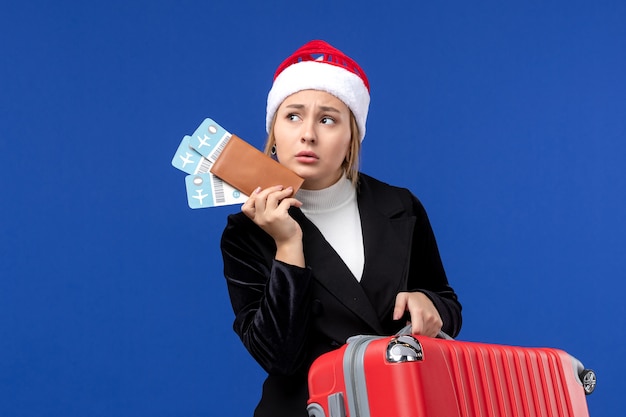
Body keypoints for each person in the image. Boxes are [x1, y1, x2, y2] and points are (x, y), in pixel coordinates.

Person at [220, 39, 462, 417]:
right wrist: (287, 244)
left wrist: (431, 307)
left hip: (397, 405)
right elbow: (279, 357)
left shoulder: (400, 206)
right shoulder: (247, 231)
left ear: (352, 137)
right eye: (293, 116)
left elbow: (447, 302)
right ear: (273, 134)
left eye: (328, 119)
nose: (308, 135)